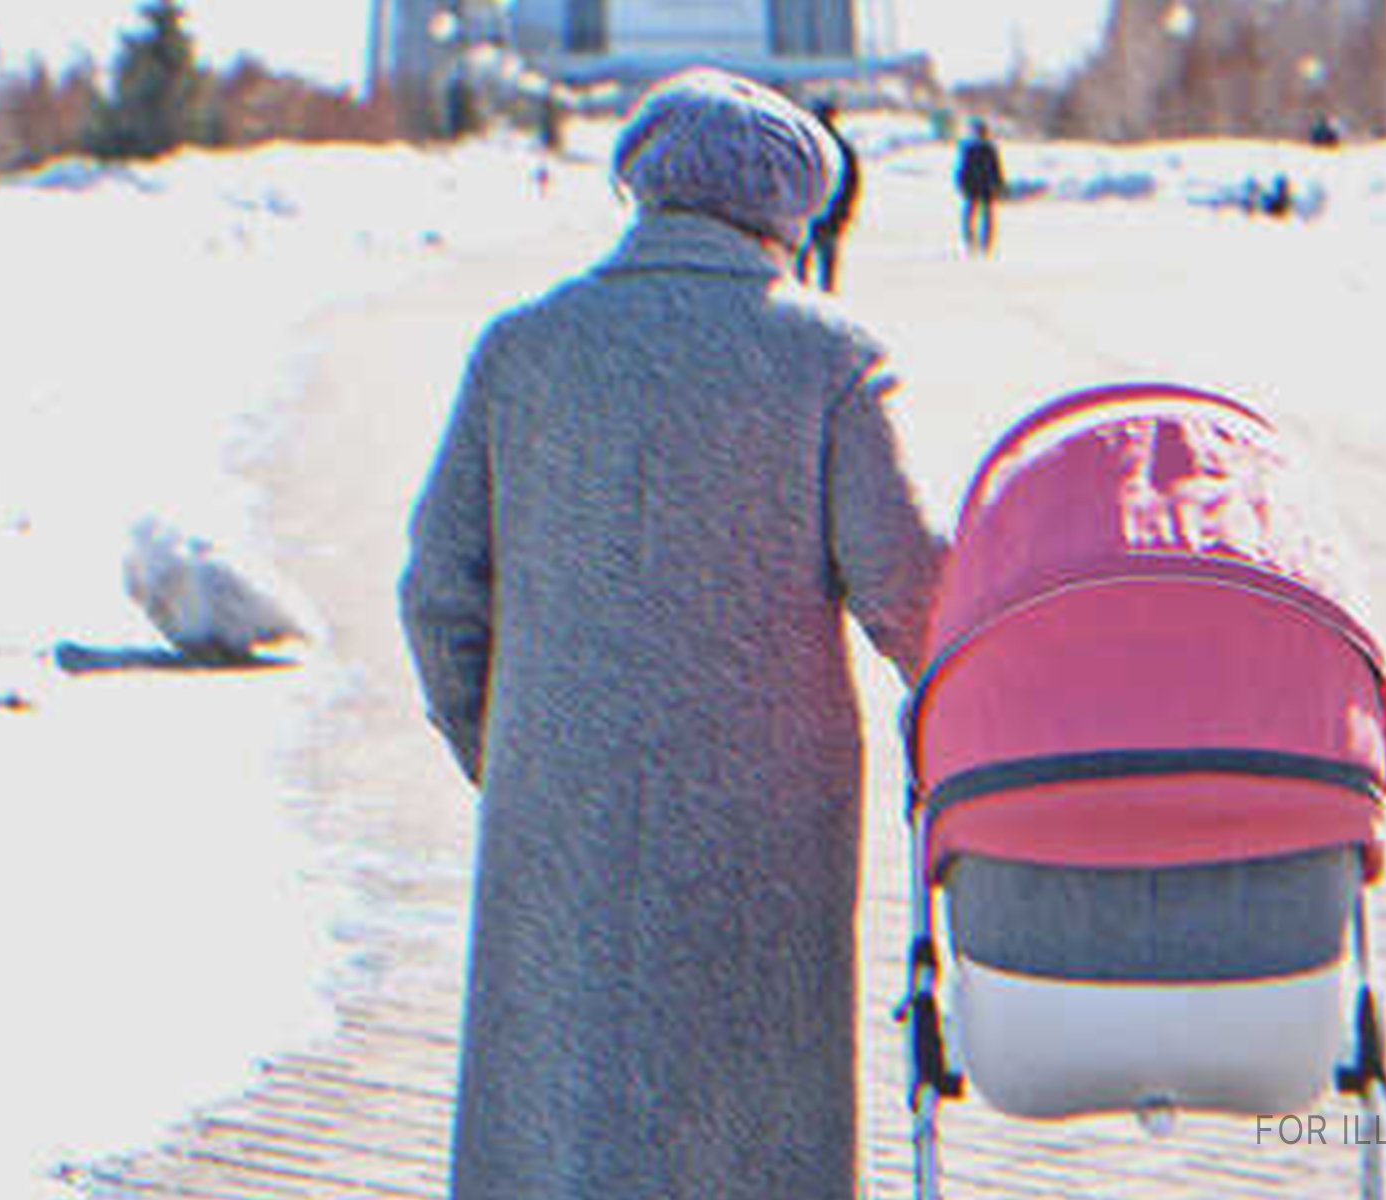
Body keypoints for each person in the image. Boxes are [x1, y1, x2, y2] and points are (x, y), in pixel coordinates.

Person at [400, 68, 946, 1200]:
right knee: (752, 1120)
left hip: (560, 796)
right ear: (790, 213)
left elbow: (439, 594)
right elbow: (912, 597)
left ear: (641, 188)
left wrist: (506, 750)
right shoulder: (830, 359)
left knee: (560, 1106)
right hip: (765, 816)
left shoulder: (522, 347)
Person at [798, 99, 861, 292]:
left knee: (801, 271)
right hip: (829, 215)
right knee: (826, 270)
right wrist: (846, 210)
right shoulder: (842, 148)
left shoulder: (805, 145)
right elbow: (852, 183)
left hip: (807, 214)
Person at [955, 117, 1005, 256]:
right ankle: (976, 242)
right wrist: (999, 185)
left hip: (981, 187)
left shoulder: (983, 149)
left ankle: (979, 243)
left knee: (980, 216)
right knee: (979, 216)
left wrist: (999, 185)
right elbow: (964, 169)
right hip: (980, 187)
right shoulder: (975, 149)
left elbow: (996, 169)